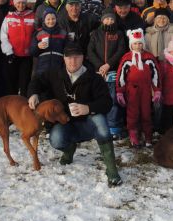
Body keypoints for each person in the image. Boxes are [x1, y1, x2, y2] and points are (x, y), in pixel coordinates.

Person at [27, 42, 122, 187]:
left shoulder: (94, 77)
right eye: (69, 57)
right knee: (56, 140)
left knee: (101, 122)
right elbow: (37, 81)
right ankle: (69, 149)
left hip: (88, 124)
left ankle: (112, 170)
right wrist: (33, 93)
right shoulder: (55, 74)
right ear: (64, 58)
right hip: (66, 123)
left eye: (76, 57)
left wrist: (88, 108)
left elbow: (107, 102)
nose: (73, 61)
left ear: (83, 57)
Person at [115, 29, 161, 148]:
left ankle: (148, 136)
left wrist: (157, 90)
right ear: (131, 44)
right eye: (135, 43)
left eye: (140, 43)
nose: (138, 46)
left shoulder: (149, 57)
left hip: (146, 90)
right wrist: (120, 92)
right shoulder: (127, 58)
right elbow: (121, 76)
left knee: (146, 113)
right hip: (132, 90)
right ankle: (134, 135)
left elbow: (156, 74)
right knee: (133, 113)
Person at [87, 8, 127, 139]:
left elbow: (121, 50)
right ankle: (98, 126)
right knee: (98, 100)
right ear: (102, 20)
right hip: (98, 73)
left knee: (113, 100)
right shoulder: (95, 34)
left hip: (113, 71)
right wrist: (100, 66)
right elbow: (90, 51)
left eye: (111, 19)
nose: (109, 21)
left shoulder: (119, 34)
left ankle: (114, 127)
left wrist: (108, 64)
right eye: (107, 19)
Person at [0, 0, 36, 97]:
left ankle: (23, 104)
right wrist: (8, 51)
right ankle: (13, 104)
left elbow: (37, 34)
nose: (21, 5)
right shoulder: (9, 17)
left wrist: (34, 48)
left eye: (23, 3)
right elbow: (3, 36)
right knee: (12, 83)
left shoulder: (32, 16)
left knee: (25, 83)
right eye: (18, 3)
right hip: (12, 55)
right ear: (15, 4)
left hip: (27, 56)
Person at [31, 7, 66, 75]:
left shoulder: (62, 33)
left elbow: (67, 50)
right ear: (44, 20)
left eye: (53, 19)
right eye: (48, 19)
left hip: (58, 68)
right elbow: (32, 52)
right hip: (42, 68)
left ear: (56, 19)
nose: (51, 21)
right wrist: (38, 46)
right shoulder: (38, 33)